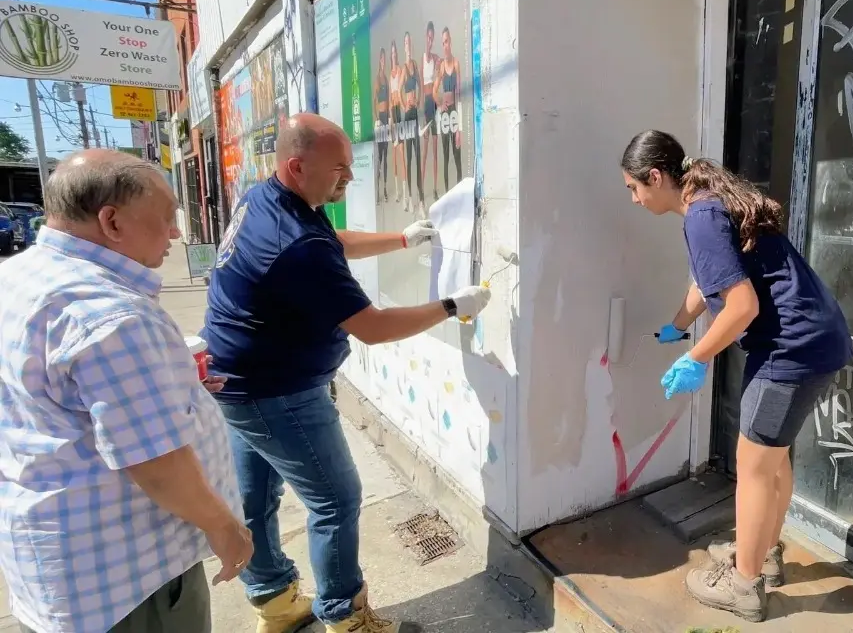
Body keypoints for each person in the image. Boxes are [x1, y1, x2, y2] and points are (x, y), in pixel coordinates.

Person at [202, 113, 492, 633]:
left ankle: (275, 603)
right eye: (340, 169)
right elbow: (373, 328)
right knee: (336, 500)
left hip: (237, 382)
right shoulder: (297, 244)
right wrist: (453, 305)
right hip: (279, 391)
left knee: (258, 498)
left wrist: (401, 240)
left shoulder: (265, 199)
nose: (350, 179)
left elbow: (331, 237)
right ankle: (346, 619)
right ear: (297, 166)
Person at [0, 150, 250, 633]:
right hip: (131, 582)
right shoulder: (111, 315)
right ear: (111, 221)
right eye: (166, 217)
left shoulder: (18, 276)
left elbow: (52, 398)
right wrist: (225, 529)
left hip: (61, 566)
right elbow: (157, 462)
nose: (177, 233)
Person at [620, 130, 852, 622]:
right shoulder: (709, 202)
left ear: (655, 177)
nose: (635, 199)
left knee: (752, 470)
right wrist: (677, 327)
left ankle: (745, 586)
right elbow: (710, 281)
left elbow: (741, 306)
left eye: (633, 188)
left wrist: (696, 357)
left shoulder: (701, 217)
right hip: (817, 338)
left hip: (789, 349)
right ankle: (763, 556)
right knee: (772, 463)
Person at [433, 27, 463, 188]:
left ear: (450, 42)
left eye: (446, 41)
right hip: (444, 115)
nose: (445, 45)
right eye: (442, 43)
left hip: (453, 113)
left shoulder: (456, 63)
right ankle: (446, 193)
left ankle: (459, 194)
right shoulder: (442, 67)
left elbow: (458, 97)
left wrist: (459, 129)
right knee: (445, 157)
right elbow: (433, 91)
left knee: (456, 156)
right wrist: (439, 104)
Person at [400, 32, 423, 215]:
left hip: (415, 113)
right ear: (404, 46)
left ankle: (421, 200)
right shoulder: (402, 69)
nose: (408, 46)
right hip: (407, 116)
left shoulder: (415, 65)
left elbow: (421, 86)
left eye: (410, 43)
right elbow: (400, 91)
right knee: (408, 157)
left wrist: (419, 101)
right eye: (406, 43)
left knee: (417, 154)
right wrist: (403, 105)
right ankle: (409, 197)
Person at [420, 22, 442, 200]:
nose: (430, 40)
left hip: (433, 102)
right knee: (425, 149)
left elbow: (440, 67)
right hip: (426, 103)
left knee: (434, 148)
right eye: (428, 37)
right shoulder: (423, 58)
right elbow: (421, 87)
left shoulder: (435, 58)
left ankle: (434, 188)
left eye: (432, 37)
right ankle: (421, 188)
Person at [389, 44, 406, 206]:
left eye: (395, 52)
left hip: (399, 112)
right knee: (394, 155)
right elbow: (390, 98)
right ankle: (398, 192)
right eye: (392, 52)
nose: (393, 55)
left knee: (402, 154)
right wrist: (390, 120)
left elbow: (399, 92)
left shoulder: (400, 70)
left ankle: (406, 194)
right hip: (393, 113)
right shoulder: (390, 74)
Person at [375, 48, 392, 203]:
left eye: (384, 59)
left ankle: (385, 188)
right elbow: (375, 101)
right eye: (381, 59)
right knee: (379, 157)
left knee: (386, 156)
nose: (383, 62)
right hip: (380, 119)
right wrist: (377, 119)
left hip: (386, 118)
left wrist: (390, 118)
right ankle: (378, 191)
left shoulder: (386, 79)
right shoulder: (378, 79)